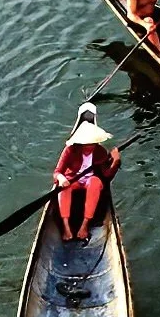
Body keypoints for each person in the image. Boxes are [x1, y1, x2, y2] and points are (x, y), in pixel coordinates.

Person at [51, 104, 120, 243]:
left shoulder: (100, 151)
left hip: (90, 182)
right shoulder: (70, 150)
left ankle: (84, 225)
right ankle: (66, 227)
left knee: (95, 182)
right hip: (73, 181)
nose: (89, 147)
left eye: (92, 144)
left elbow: (106, 177)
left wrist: (115, 162)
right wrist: (61, 177)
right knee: (63, 186)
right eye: (86, 144)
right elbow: (57, 172)